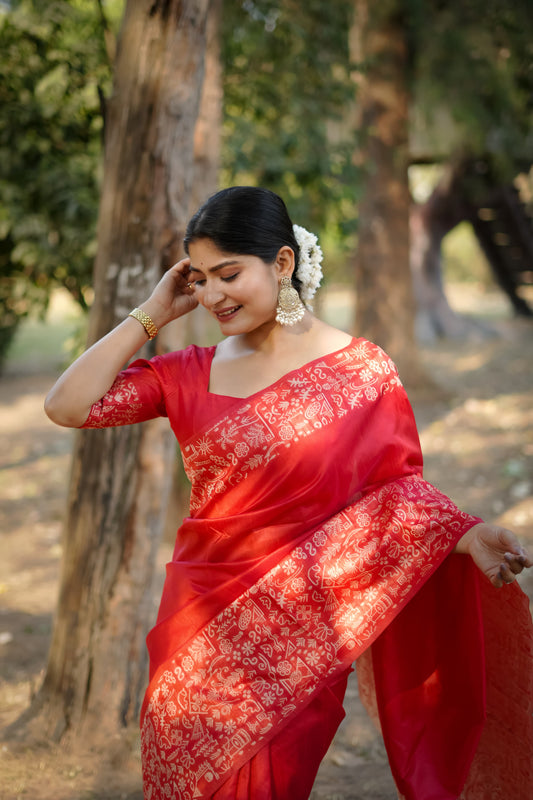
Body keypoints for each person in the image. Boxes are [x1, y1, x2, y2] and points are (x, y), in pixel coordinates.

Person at [45, 186, 533, 800]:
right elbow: (66, 406)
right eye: (199, 279)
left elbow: (397, 494)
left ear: (281, 263)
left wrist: (463, 536)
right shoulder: (187, 371)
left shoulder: (362, 372)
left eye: (229, 274)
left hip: (302, 631)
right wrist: (151, 314)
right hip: (196, 621)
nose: (213, 295)